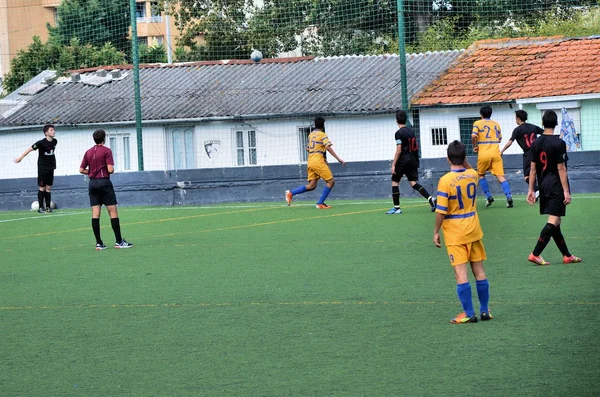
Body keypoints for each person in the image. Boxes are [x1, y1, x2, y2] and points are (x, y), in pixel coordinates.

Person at [434, 140, 491, 324]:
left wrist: (436, 231)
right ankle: (484, 311)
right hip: (474, 229)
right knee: (479, 271)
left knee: (461, 273)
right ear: (465, 157)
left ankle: (468, 313)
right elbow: (468, 168)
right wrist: (464, 160)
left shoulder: (445, 180)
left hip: (455, 234)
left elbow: (441, 210)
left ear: (447, 158)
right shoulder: (473, 175)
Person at [526, 110, 581, 265]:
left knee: (556, 223)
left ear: (542, 124)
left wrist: (531, 189)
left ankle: (567, 255)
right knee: (553, 220)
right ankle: (535, 253)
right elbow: (561, 168)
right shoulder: (559, 143)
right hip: (556, 187)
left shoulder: (536, 143)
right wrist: (566, 191)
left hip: (543, 186)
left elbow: (533, 169)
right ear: (556, 124)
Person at [79, 129, 133, 250]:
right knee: (113, 212)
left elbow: (81, 170)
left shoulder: (88, 152)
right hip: (104, 183)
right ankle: (119, 241)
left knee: (95, 214)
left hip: (92, 184)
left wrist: (91, 172)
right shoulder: (107, 151)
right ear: (104, 139)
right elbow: (110, 170)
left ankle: (99, 243)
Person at [285, 117, 345, 209]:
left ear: (315, 125)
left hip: (310, 160)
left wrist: (322, 157)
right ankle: (320, 203)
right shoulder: (322, 135)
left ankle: (291, 193)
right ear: (323, 125)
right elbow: (328, 147)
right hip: (317, 161)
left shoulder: (310, 135)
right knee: (331, 181)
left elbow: (309, 149)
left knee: (312, 185)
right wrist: (338, 159)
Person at [386, 110, 436, 214]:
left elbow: (399, 150)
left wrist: (394, 164)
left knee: (395, 182)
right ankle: (431, 198)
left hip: (403, 160)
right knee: (413, 183)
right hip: (413, 160)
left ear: (396, 121)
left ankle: (397, 208)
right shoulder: (411, 131)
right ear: (406, 120)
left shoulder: (398, 133)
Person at [471, 105, 513, 208]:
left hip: (483, 153)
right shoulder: (496, 124)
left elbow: (473, 135)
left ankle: (489, 196)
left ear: (481, 114)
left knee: (481, 175)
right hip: (495, 153)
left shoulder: (477, 123)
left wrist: (475, 146)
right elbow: (499, 139)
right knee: (501, 176)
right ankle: (508, 196)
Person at [14, 124, 57, 213]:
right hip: (42, 168)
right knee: (42, 187)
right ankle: (41, 207)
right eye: (51, 130)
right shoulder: (40, 143)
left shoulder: (55, 141)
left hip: (51, 167)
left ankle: (48, 207)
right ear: (46, 133)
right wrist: (20, 158)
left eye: (53, 130)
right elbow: (29, 149)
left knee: (48, 188)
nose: (53, 131)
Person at [500, 110, 544, 198]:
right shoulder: (533, 127)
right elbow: (544, 133)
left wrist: (502, 151)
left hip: (528, 154)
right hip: (538, 152)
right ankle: (536, 192)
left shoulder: (517, 130)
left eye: (515, 118)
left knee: (527, 176)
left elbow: (510, 142)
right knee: (537, 173)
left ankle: (538, 190)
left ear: (518, 118)